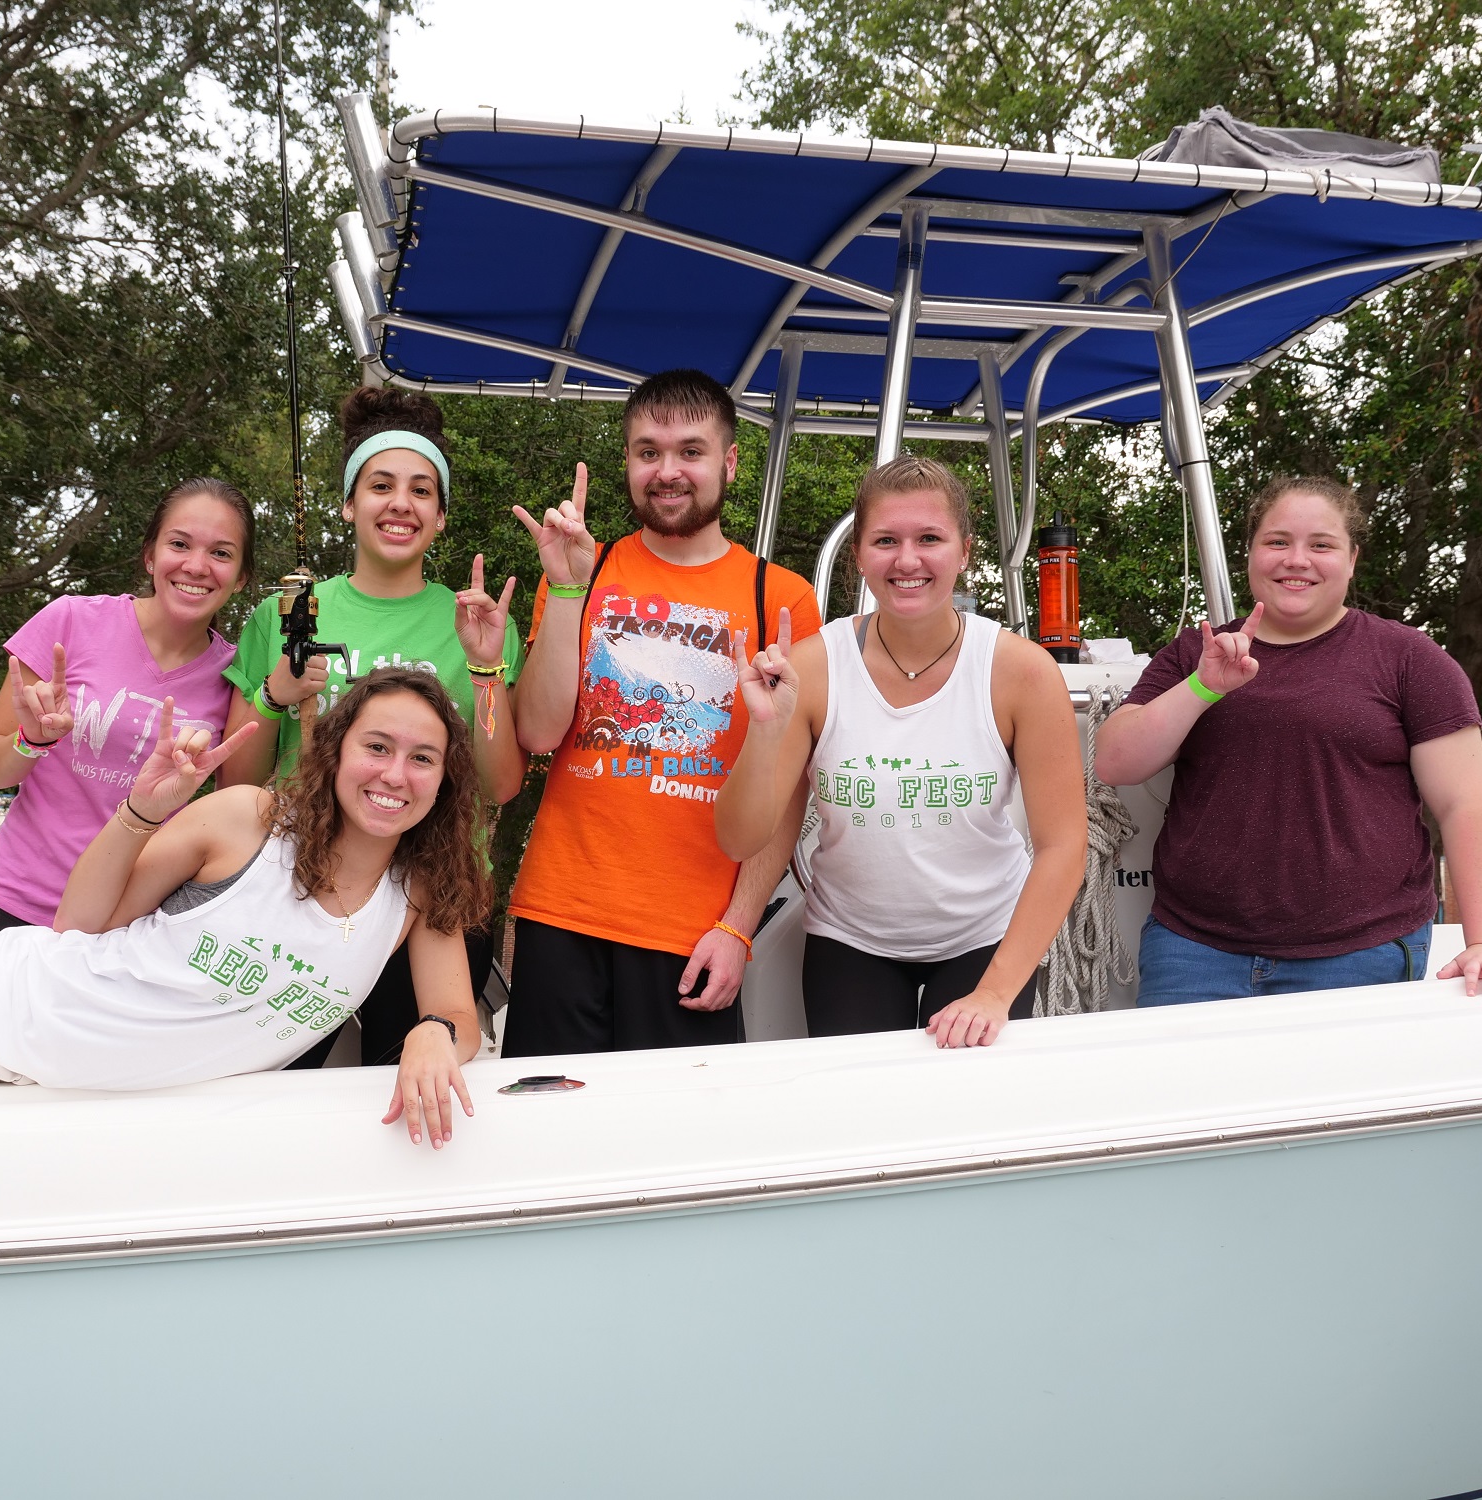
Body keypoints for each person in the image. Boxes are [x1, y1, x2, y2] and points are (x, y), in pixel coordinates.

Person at [0, 670, 489, 1149]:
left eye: (422, 758)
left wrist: (431, 1035)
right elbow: (78, 928)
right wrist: (139, 812)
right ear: (337, 751)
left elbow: (458, 1014)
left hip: (88, 1124)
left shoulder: (421, 893)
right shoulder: (248, 818)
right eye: (377, 746)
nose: (396, 774)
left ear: (444, 780)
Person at [1092, 474, 1482, 1004]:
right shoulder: (1196, 653)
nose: (1297, 560)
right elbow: (1115, 762)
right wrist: (1205, 686)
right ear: (1251, 553)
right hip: (1193, 954)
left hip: (1363, 955)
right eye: (1277, 542)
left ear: (1352, 558)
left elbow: (1464, 807)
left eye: (1321, 545)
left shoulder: (1410, 659)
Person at [716, 456, 1087, 1045]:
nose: (907, 560)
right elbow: (739, 839)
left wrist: (995, 993)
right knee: (867, 1119)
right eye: (886, 540)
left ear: (965, 551)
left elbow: (1064, 845)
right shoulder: (813, 666)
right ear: (860, 555)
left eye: (930, 539)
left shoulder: (1021, 672)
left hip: (985, 939)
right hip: (850, 940)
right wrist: (764, 732)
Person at [507, 368, 824, 1054]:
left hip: (694, 933)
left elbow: (788, 788)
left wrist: (739, 926)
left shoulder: (785, 598)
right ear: (627, 462)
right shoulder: (578, 569)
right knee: (548, 1139)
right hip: (562, 913)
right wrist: (565, 593)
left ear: (729, 463)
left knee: (677, 1149)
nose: (667, 471)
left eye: (690, 450)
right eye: (648, 451)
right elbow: (535, 731)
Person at [218, 388, 524, 1068]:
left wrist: (483, 670)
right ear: (349, 503)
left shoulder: (477, 623)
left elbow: (500, 785)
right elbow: (234, 783)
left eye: (421, 490)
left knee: (412, 1089)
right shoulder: (285, 615)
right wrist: (275, 693)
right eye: (380, 485)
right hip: (301, 893)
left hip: (435, 896)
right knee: (263, 1089)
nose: (400, 503)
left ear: (441, 516)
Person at [0, 479, 254, 941]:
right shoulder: (70, 620)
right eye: (179, 544)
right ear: (150, 556)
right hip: (12, 908)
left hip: (128, 927)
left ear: (241, 577)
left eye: (221, 553)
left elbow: (235, 804)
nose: (196, 566)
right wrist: (31, 741)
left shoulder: (237, 675)